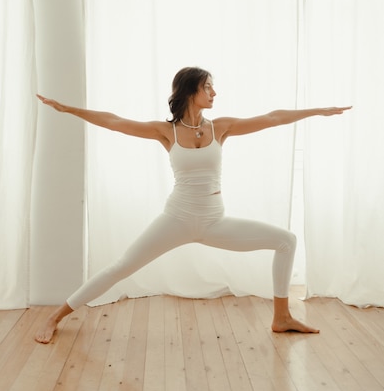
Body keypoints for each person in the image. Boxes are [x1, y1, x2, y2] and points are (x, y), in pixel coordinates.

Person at [34, 66, 351, 343]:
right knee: (121, 267)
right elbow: (114, 121)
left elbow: (272, 118)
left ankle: (282, 318)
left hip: (215, 221)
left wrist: (316, 111)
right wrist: (68, 109)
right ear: (190, 91)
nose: (214, 92)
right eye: (208, 86)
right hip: (177, 219)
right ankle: (56, 317)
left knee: (286, 241)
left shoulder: (220, 127)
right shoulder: (166, 131)